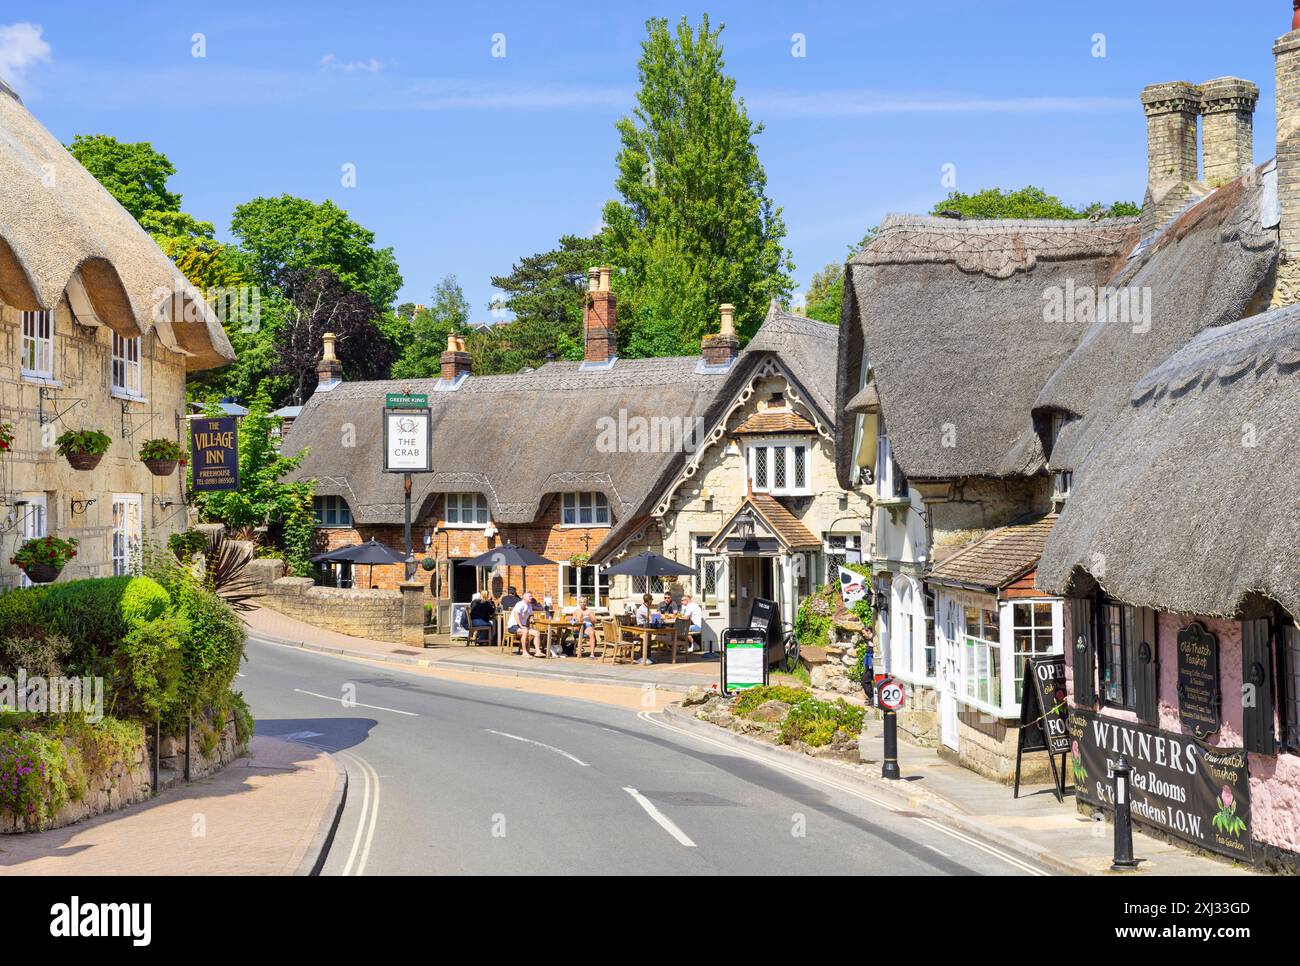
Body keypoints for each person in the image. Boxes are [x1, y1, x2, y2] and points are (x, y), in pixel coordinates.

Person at [507, 591, 542, 657]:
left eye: (531, 596)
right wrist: (520, 625)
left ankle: (538, 652)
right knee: (525, 631)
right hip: (513, 626)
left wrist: (531, 618)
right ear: (524, 597)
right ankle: (524, 652)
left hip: (522, 626)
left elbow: (531, 614)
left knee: (537, 633)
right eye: (529, 596)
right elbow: (516, 614)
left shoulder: (529, 605)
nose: (531, 597)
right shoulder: (520, 604)